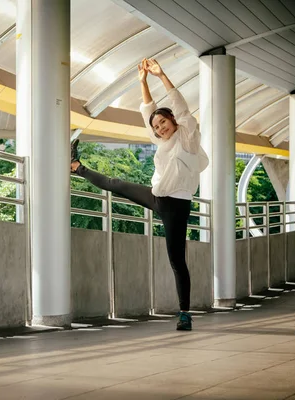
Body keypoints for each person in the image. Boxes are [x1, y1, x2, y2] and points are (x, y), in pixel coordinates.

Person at [70, 58, 208, 331]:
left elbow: (180, 106)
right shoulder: (162, 140)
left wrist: (161, 75)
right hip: (158, 196)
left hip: (176, 205)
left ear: (174, 121)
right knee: (115, 183)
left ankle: (184, 313)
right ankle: (75, 166)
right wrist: (143, 83)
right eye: (156, 126)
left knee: (176, 259)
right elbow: (149, 112)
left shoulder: (188, 138)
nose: (159, 129)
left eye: (163, 123)